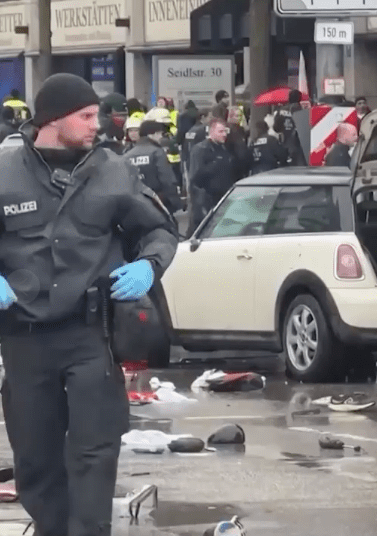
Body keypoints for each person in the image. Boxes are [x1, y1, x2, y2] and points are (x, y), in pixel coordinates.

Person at [0, 73, 178, 536]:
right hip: (24, 337)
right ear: (53, 121)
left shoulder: (112, 170)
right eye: (85, 115)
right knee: (35, 456)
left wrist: (149, 266)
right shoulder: (5, 174)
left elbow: (159, 229)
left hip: (89, 334)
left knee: (94, 451)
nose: (97, 123)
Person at [124, 120, 185, 213]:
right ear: (151, 134)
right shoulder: (157, 152)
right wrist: (176, 202)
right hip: (157, 202)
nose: (161, 137)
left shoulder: (127, 155)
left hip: (135, 205)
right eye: (159, 133)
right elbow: (167, 179)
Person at [189, 117, 236, 218]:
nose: (224, 134)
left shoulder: (223, 148)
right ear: (211, 131)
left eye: (225, 131)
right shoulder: (201, 149)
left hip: (223, 197)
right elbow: (195, 178)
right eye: (220, 131)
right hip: (207, 200)